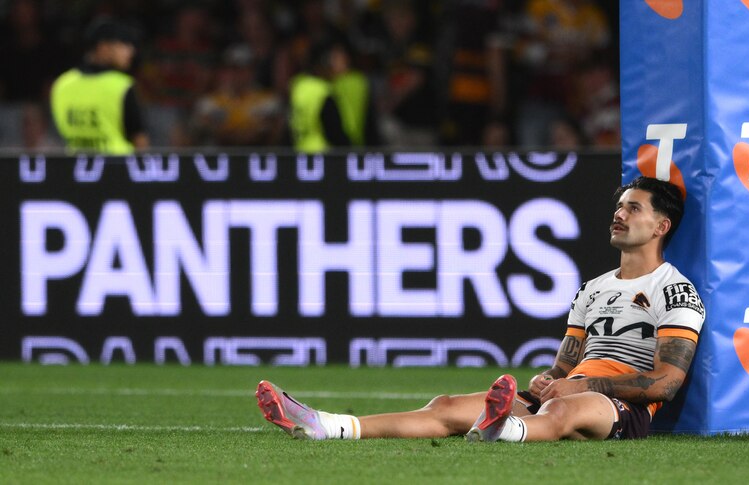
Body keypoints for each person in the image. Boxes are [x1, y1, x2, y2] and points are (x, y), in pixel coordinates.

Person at [256, 176, 705, 442]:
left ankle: (502, 429)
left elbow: (666, 384)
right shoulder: (593, 288)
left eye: (633, 208)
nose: (619, 214)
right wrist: (551, 379)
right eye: (620, 206)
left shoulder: (675, 290)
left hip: (619, 408)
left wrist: (584, 385)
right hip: (572, 391)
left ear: (661, 226)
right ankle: (329, 425)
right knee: (447, 405)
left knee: (562, 413)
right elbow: (564, 366)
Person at [50, 17, 149, 154]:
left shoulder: (62, 84)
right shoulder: (122, 85)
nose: (131, 51)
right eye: (123, 44)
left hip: (75, 168)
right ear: (103, 47)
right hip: (119, 169)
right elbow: (140, 142)